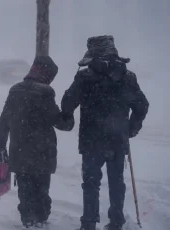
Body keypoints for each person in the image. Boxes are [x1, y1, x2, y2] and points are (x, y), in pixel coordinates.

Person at [60, 35, 149, 230]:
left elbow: (67, 103)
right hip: (117, 139)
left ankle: (89, 223)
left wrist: (67, 116)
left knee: (91, 183)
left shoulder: (85, 77)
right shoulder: (127, 77)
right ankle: (116, 222)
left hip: (91, 140)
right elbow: (142, 105)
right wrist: (131, 128)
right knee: (117, 182)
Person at [0, 55, 74, 228]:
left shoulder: (15, 90)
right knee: (41, 188)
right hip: (42, 151)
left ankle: (28, 219)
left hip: (20, 150)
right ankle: (40, 218)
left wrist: (0, 146)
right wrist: (68, 113)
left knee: (25, 188)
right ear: (47, 74)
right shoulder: (45, 92)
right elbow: (61, 123)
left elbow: (4, 121)